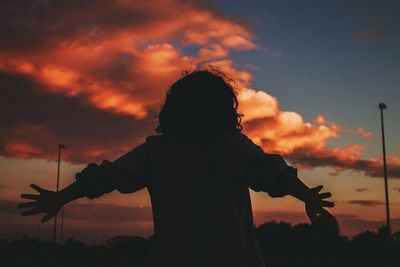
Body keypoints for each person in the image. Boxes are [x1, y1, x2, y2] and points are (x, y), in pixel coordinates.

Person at [19, 69, 334, 267]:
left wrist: (62, 197)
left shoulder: (156, 153)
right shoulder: (232, 147)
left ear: (174, 111)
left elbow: (105, 176)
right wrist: (306, 195)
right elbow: (272, 172)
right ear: (225, 112)